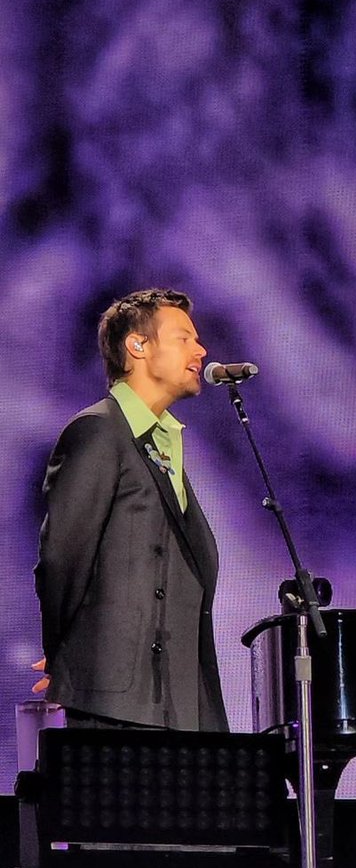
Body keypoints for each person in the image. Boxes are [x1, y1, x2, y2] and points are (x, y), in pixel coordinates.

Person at [34, 288, 228, 731]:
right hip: (117, 704)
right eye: (184, 338)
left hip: (178, 704)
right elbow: (63, 554)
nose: (201, 350)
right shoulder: (98, 431)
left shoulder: (163, 443)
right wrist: (65, 651)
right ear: (137, 346)